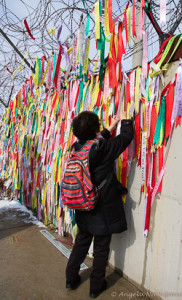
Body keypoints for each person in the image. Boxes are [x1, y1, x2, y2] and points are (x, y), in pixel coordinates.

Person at [65, 110, 134, 298]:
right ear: (95, 130)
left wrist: (108, 129)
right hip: (100, 208)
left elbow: (94, 143)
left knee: (80, 243)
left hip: (82, 207)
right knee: (102, 248)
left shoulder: (77, 147)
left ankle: (70, 279)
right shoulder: (102, 149)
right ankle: (96, 287)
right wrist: (126, 121)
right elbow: (125, 139)